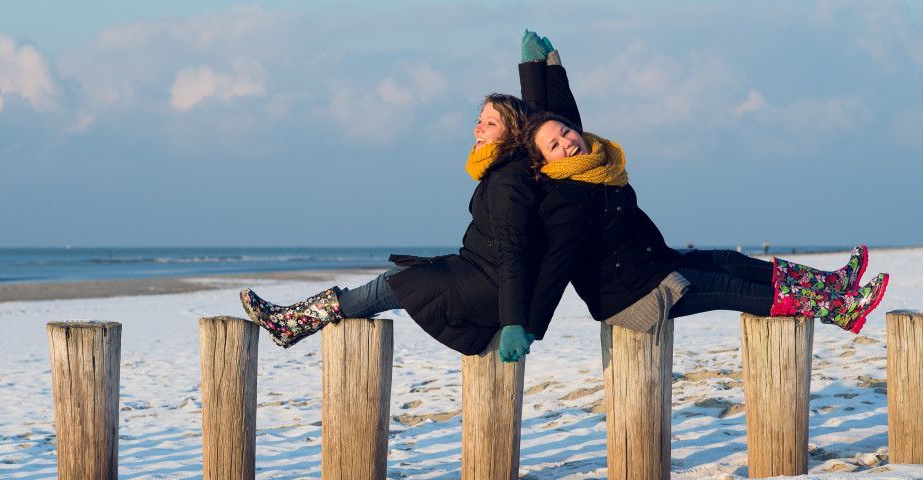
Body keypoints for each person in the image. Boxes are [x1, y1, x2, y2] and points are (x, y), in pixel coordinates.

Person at [239, 33, 580, 355]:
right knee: (398, 278)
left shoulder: (510, 179)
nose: (478, 128)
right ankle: (293, 322)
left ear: (512, 133)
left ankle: (292, 322)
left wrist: (514, 323)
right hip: (475, 273)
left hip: (489, 288)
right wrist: (538, 67)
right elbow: (545, 119)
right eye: (479, 120)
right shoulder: (511, 161)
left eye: (490, 123)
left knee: (398, 283)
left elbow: (512, 253)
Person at [516, 88, 889, 355]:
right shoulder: (565, 199)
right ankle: (841, 309)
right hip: (636, 295)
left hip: (657, 265)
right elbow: (556, 264)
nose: (566, 142)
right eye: (554, 145)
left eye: (566, 132)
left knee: (731, 259)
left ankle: (832, 284)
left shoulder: (596, 171)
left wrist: (542, 65)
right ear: (545, 163)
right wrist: (530, 328)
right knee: (730, 286)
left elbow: (555, 110)